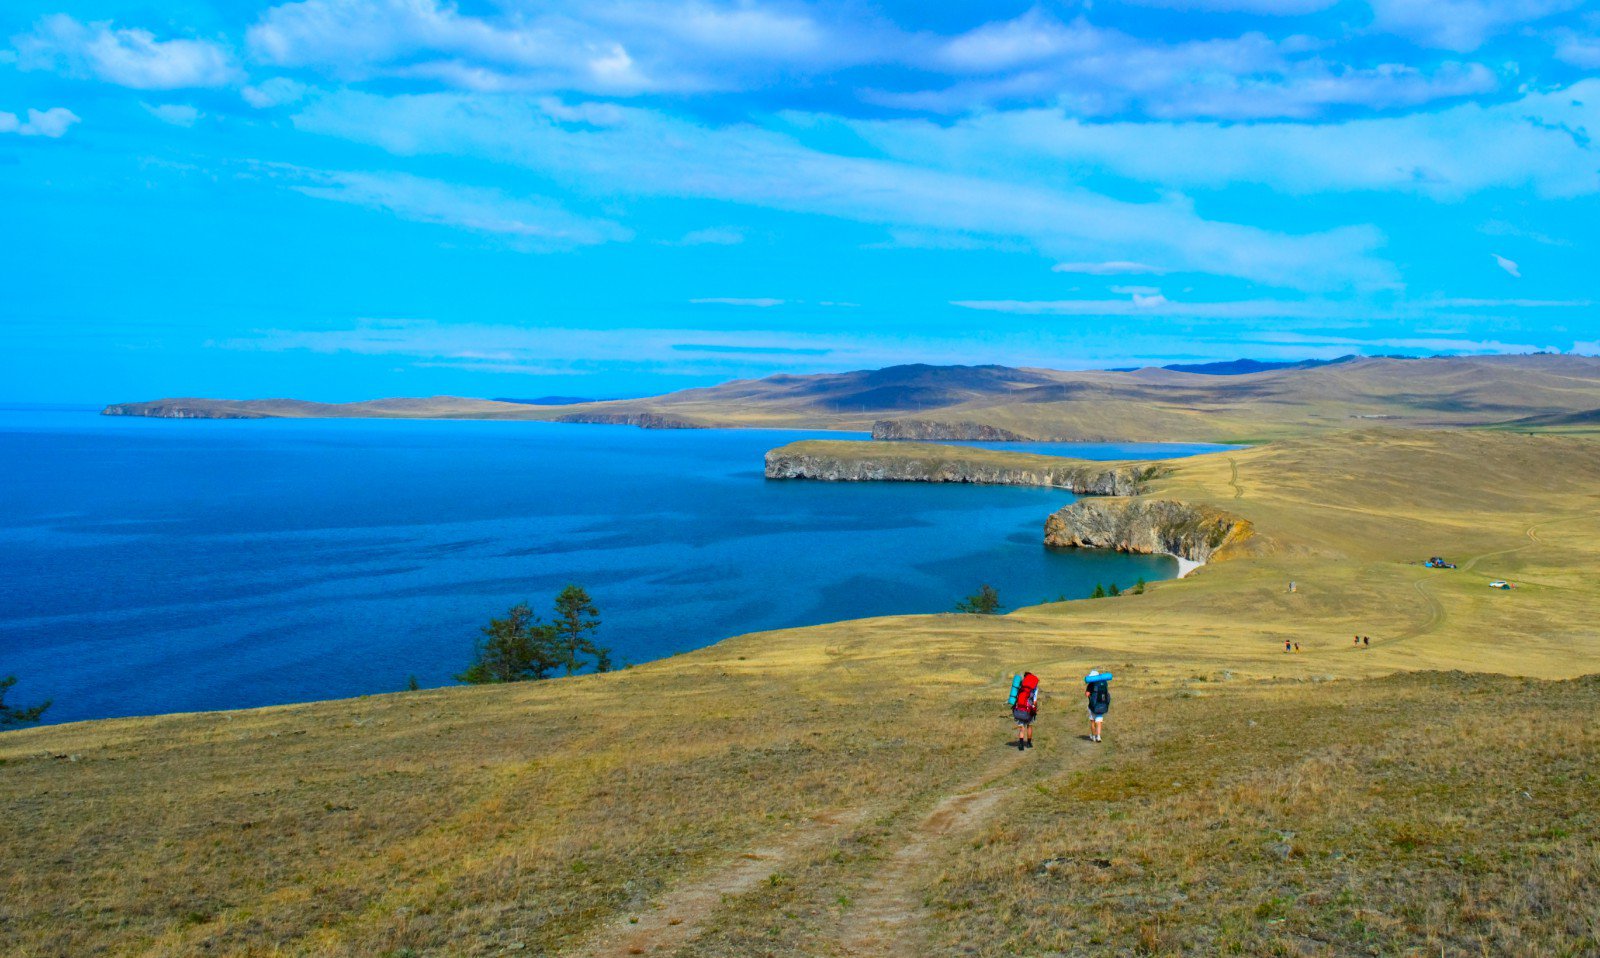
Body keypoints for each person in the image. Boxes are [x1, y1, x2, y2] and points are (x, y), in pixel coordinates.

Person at [1008, 671, 1040, 750]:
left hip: (1019, 709)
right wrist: (1035, 710)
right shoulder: (1034, 687)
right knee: (1029, 726)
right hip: (1028, 710)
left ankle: (1021, 745)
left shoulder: (1021, 685)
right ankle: (1029, 744)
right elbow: (1035, 701)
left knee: (1022, 728)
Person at [1085, 670, 1112, 743]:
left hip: (1093, 706)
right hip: (1102, 705)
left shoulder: (1091, 684)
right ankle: (1098, 736)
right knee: (1099, 722)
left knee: (1093, 722)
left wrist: (1090, 694)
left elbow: (1087, 694)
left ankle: (1093, 736)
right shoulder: (1104, 682)